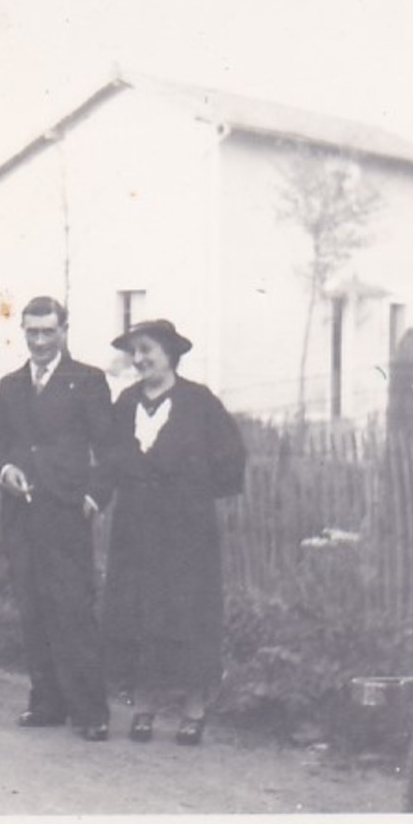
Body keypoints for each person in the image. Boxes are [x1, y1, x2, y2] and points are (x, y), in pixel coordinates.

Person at [101, 319, 246, 745]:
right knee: (139, 613)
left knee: (188, 615)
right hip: (135, 529)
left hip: (186, 533)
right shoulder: (126, 403)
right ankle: (144, 707)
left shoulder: (199, 402)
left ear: (170, 353)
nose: (140, 359)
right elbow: (110, 458)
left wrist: (191, 488)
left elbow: (230, 458)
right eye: (135, 351)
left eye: (147, 350)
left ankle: (193, 710)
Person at [0, 296, 114, 742]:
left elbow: (109, 449)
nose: (40, 341)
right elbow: (0, 445)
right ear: (22, 331)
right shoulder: (9, 386)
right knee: (33, 607)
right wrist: (5, 472)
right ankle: (47, 702)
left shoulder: (87, 380)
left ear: (64, 329)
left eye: (48, 331)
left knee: (73, 609)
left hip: (66, 512)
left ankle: (90, 711)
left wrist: (93, 498)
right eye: (32, 332)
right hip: (22, 514)